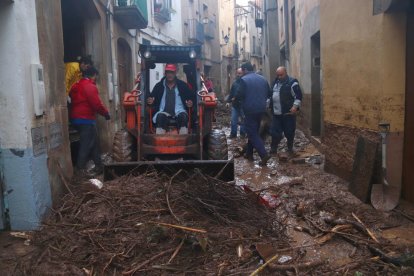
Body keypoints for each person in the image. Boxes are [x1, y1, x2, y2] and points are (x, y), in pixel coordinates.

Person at [69, 66, 110, 176]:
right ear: (93, 75)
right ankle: (79, 170)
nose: (96, 78)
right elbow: (96, 104)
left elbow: (70, 97)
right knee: (86, 144)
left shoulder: (76, 85)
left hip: (75, 118)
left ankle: (99, 166)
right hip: (85, 119)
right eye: (96, 76)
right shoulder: (90, 86)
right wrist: (106, 113)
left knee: (94, 142)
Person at [236, 62, 272, 166]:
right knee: (254, 131)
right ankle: (249, 153)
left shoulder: (244, 80)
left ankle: (263, 154)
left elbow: (239, 95)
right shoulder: (263, 79)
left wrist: (236, 100)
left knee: (252, 133)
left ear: (245, 70)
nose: (241, 73)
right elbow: (269, 93)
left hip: (249, 110)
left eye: (242, 71)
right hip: (261, 109)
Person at [147, 64, 195, 135]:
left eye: (172, 72)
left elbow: (191, 97)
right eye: (168, 72)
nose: (170, 74)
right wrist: (150, 101)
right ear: (165, 73)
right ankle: (160, 141)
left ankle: (183, 140)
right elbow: (151, 98)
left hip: (179, 111)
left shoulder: (183, 85)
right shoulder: (159, 86)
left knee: (183, 117)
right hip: (163, 111)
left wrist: (191, 102)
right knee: (160, 117)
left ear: (175, 73)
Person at [269, 66, 303, 155]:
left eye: (281, 75)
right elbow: (270, 95)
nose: (279, 77)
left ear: (286, 73)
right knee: (275, 132)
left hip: (288, 113)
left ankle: (290, 148)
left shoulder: (292, 82)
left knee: (289, 132)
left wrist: (295, 106)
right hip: (276, 114)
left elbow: (298, 96)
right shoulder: (275, 82)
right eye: (278, 75)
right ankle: (273, 149)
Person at [226, 68, 246, 139]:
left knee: (243, 120)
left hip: (243, 105)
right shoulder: (234, 83)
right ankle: (233, 134)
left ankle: (242, 134)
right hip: (235, 105)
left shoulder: (245, 83)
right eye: (237, 73)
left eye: (240, 73)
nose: (238, 75)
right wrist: (228, 101)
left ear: (243, 73)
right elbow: (231, 93)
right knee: (233, 120)